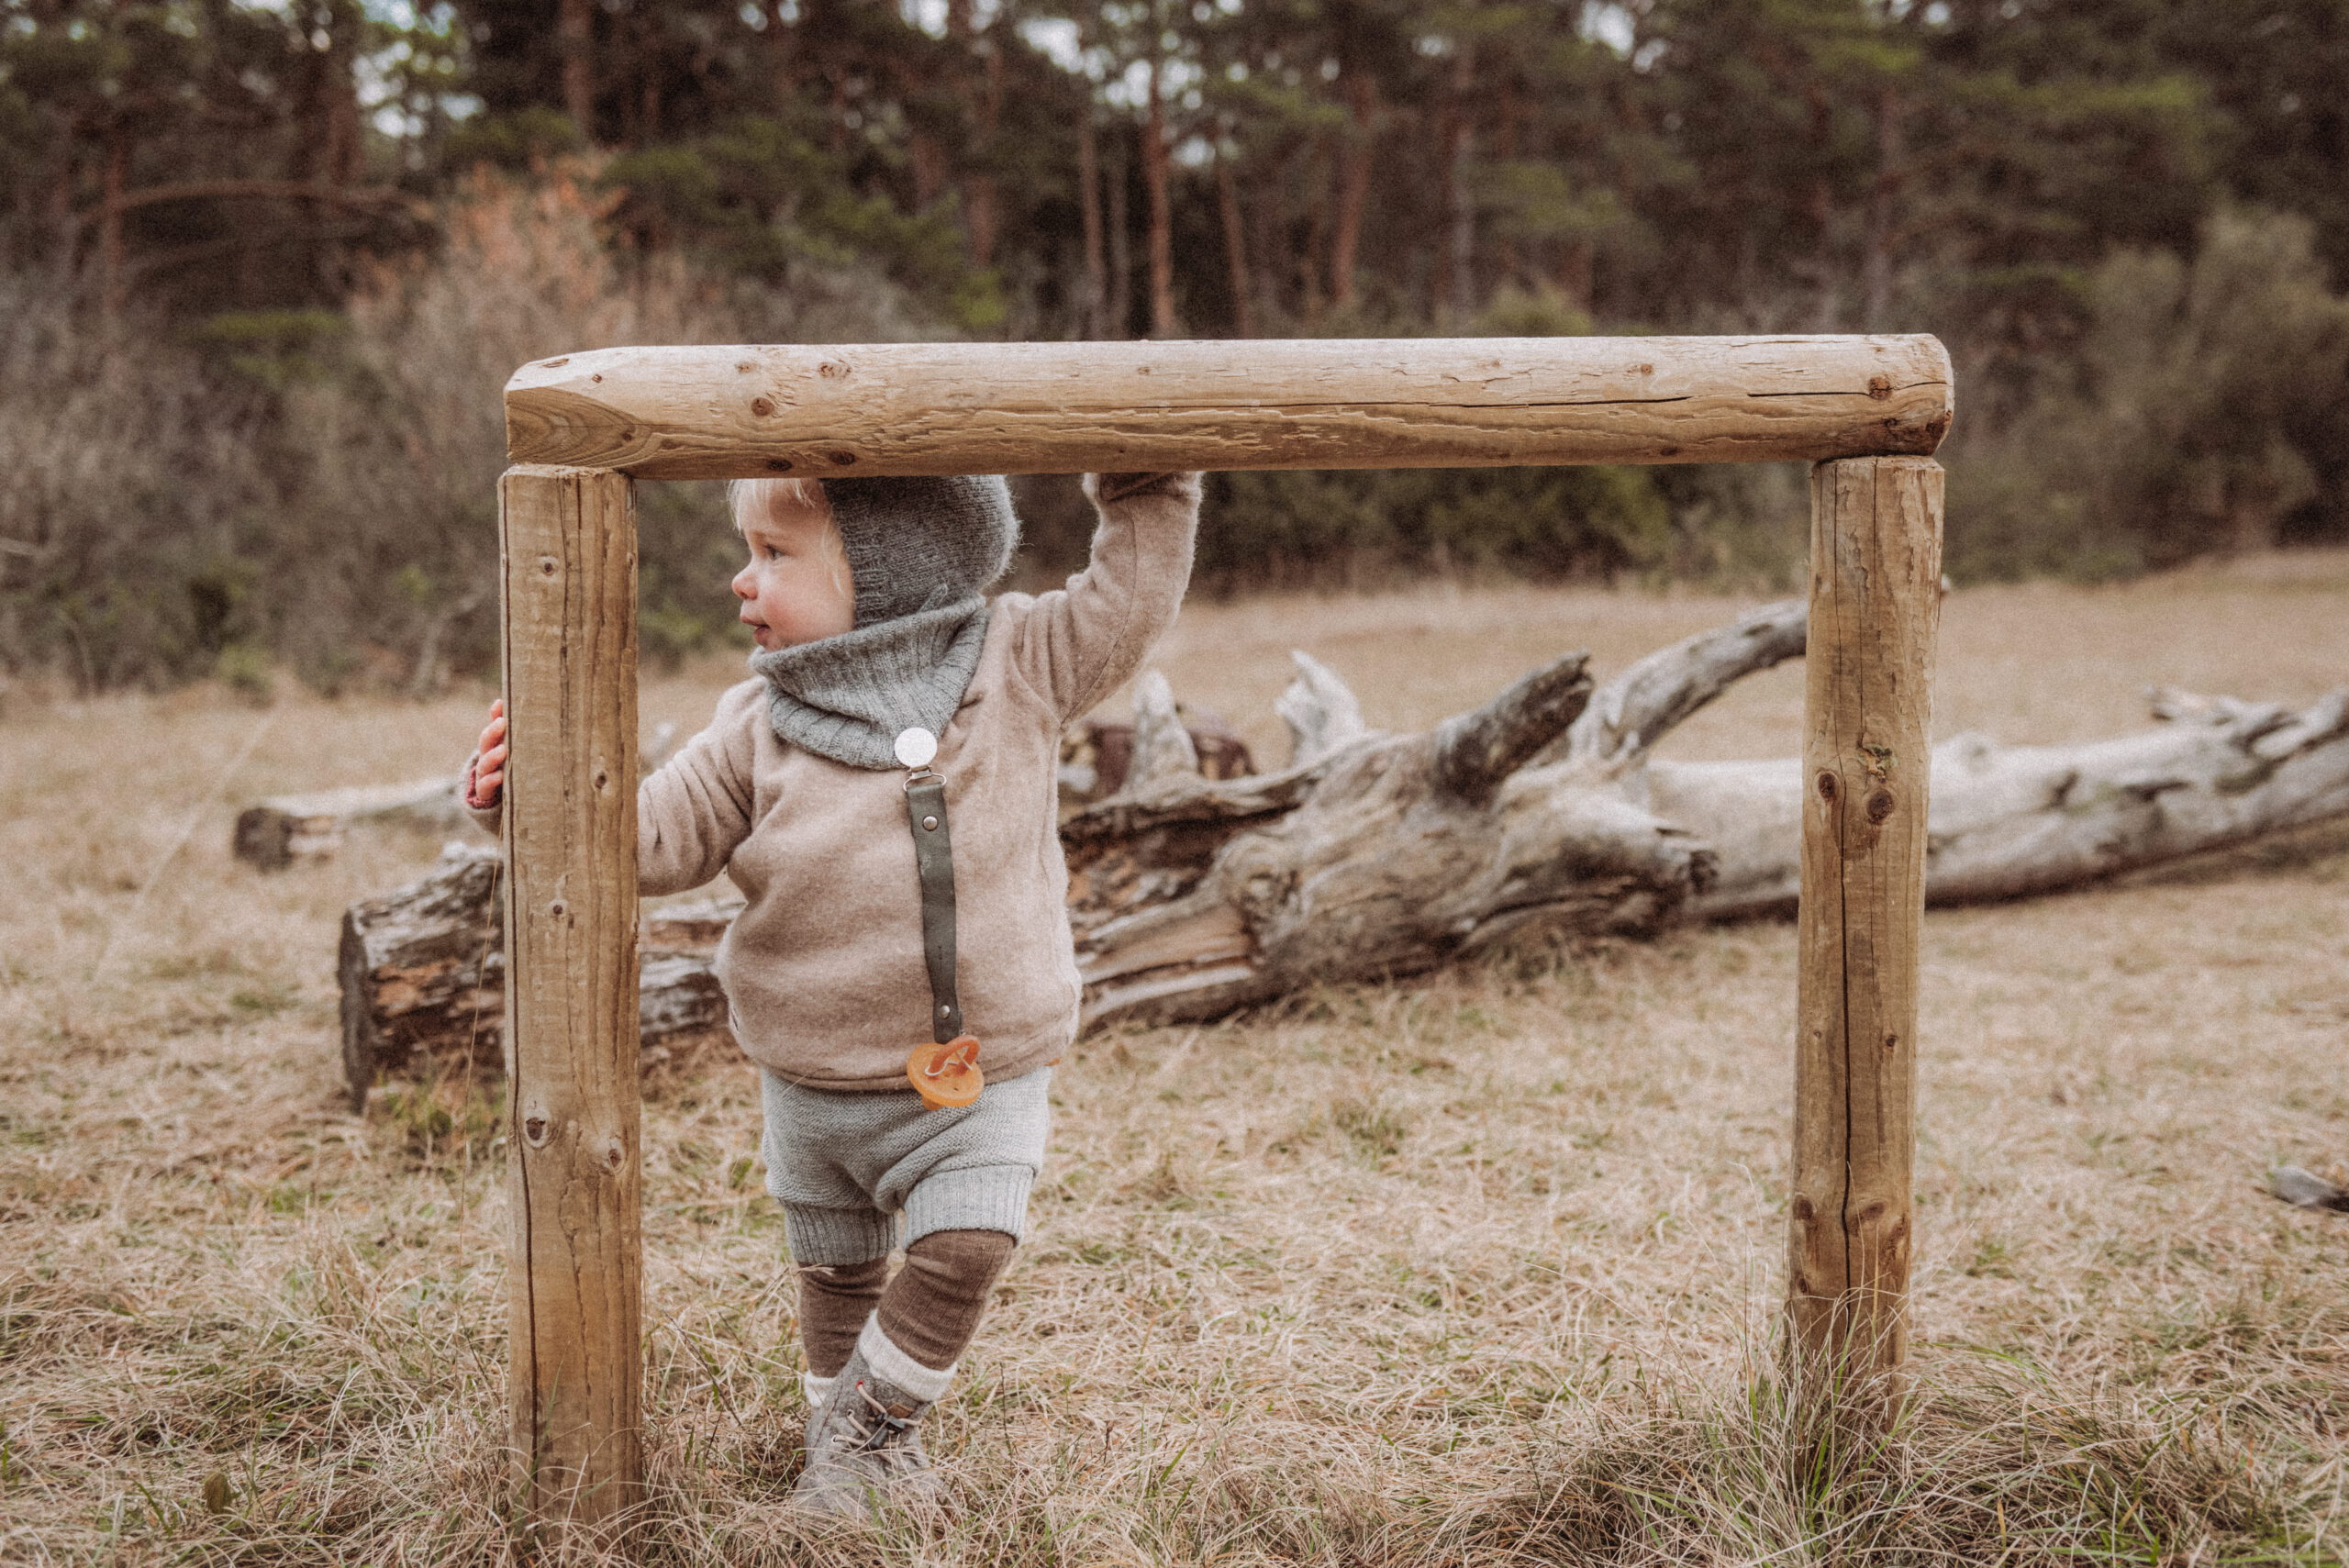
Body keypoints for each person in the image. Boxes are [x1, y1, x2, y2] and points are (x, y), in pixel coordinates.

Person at [464, 469, 1200, 1518]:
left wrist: (1146, 487)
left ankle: (865, 1436)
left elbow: (1128, 597)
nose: (740, 579)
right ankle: (843, 1449)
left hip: (979, 1075)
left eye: (774, 553)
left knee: (968, 1241)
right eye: (748, 551)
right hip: (813, 1077)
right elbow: (648, 838)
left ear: (886, 565)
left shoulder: (1024, 660)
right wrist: (523, 795)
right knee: (838, 1278)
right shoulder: (753, 723)